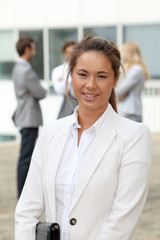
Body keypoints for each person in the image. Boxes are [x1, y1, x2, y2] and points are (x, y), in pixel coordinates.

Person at [15, 36, 151, 240]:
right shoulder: (51, 133)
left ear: (115, 80)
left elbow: (122, 221)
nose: (90, 84)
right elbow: (27, 210)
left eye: (102, 76)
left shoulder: (134, 136)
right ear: (71, 75)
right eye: (82, 74)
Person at [12, 37, 47, 198]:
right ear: (27, 49)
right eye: (33, 48)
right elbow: (41, 92)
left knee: (25, 157)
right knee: (26, 158)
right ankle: (23, 195)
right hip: (28, 118)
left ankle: (23, 193)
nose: (35, 51)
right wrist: (36, 92)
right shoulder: (25, 70)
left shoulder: (17, 68)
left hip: (24, 116)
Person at [116, 41, 150, 122]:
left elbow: (122, 89)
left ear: (128, 54)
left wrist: (109, 93)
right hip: (130, 112)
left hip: (130, 112)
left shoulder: (136, 70)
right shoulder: (135, 69)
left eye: (123, 53)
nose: (122, 56)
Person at [51, 40, 78, 119]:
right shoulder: (57, 71)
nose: (70, 55)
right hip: (64, 109)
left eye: (73, 52)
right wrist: (71, 80)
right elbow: (60, 90)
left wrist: (64, 80)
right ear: (64, 53)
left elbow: (75, 92)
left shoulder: (82, 68)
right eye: (68, 52)